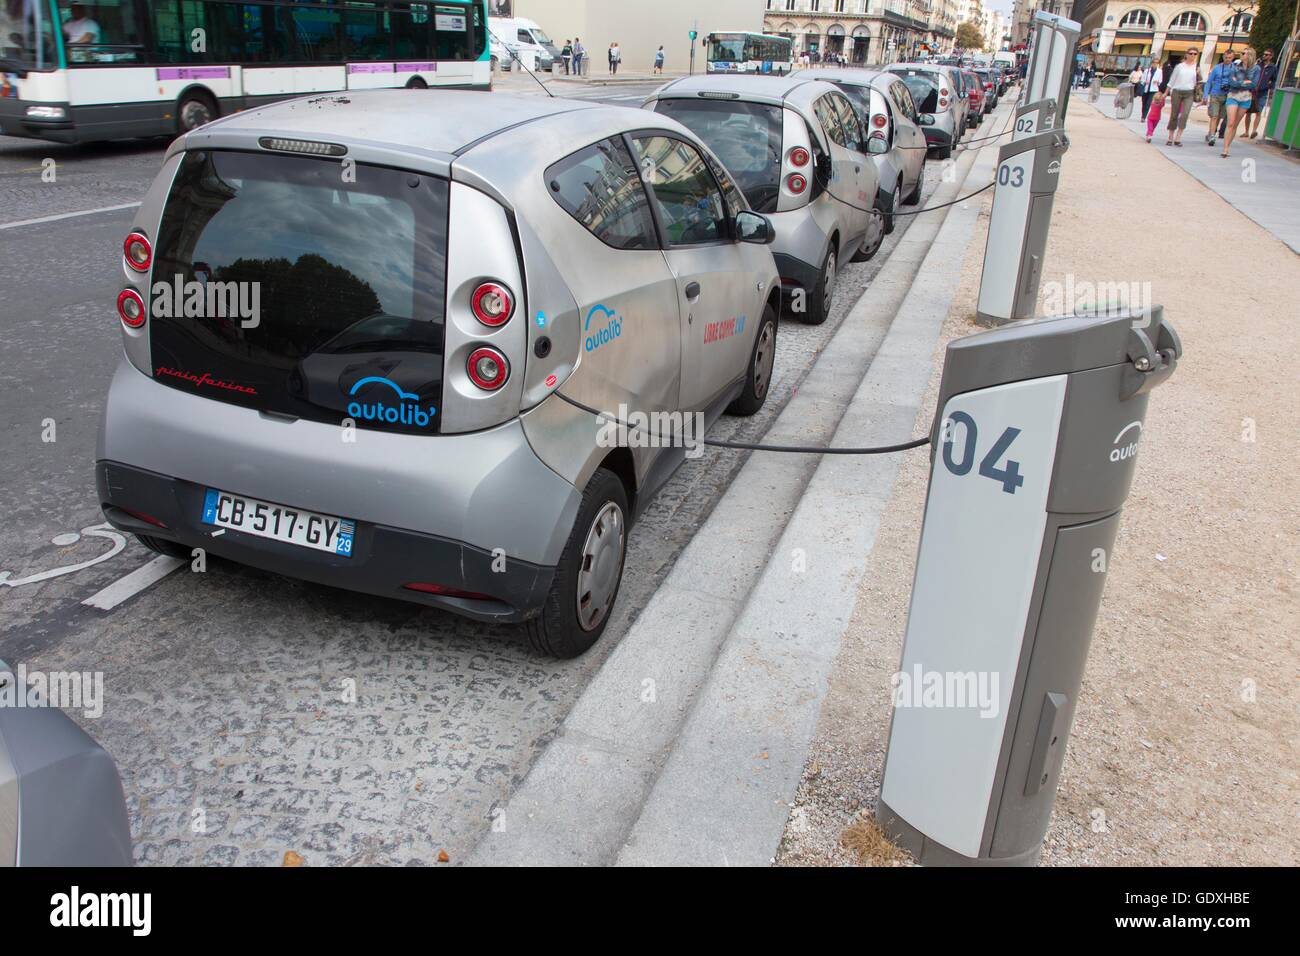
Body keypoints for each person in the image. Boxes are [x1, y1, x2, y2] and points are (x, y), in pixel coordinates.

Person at [1220, 48, 1260, 158]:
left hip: (1246, 98)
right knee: (1230, 122)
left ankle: (1228, 145)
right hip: (1233, 95)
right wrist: (1244, 83)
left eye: (1243, 53)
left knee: (1235, 124)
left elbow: (1253, 84)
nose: (1240, 54)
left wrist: (1239, 82)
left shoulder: (1256, 69)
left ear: (1250, 55)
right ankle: (1225, 149)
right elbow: (1231, 82)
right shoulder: (1235, 66)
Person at [1163, 48, 1200, 147]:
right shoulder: (1180, 66)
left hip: (1189, 92)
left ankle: (1178, 137)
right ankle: (1170, 137)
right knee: (1174, 114)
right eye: (1190, 53)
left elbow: (1200, 82)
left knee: (1185, 114)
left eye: (1195, 54)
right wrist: (1166, 92)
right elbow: (1172, 80)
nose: (1192, 55)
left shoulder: (1197, 67)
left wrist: (1198, 73)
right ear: (1186, 54)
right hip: (1177, 91)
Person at [1203, 53, 1234, 146]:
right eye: (1226, 57)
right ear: (1223, 57)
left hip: (1228, 95)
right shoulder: (1217, 68)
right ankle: (1212, 136)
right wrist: (1205, 94)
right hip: (1215, 94)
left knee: (1220, 117)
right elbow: (1209, 82)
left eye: (1229, 57)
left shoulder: (1235, 69)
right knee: (1214, 116)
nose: (1227, 59)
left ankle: (1210, 132)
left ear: (1232, 58)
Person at [1247, 48, 1277, 139]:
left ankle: (1254, 130)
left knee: (1258, 112)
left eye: (1267, 55)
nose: (1264, 56)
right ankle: (1246, 131)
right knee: (1248, 112)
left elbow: (1274, 80)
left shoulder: (1273, 67)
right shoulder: (1258, 65)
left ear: (1271, 56)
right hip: (1252, 91)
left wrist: (1269, 86)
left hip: (1262, 93)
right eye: (1264, 54)